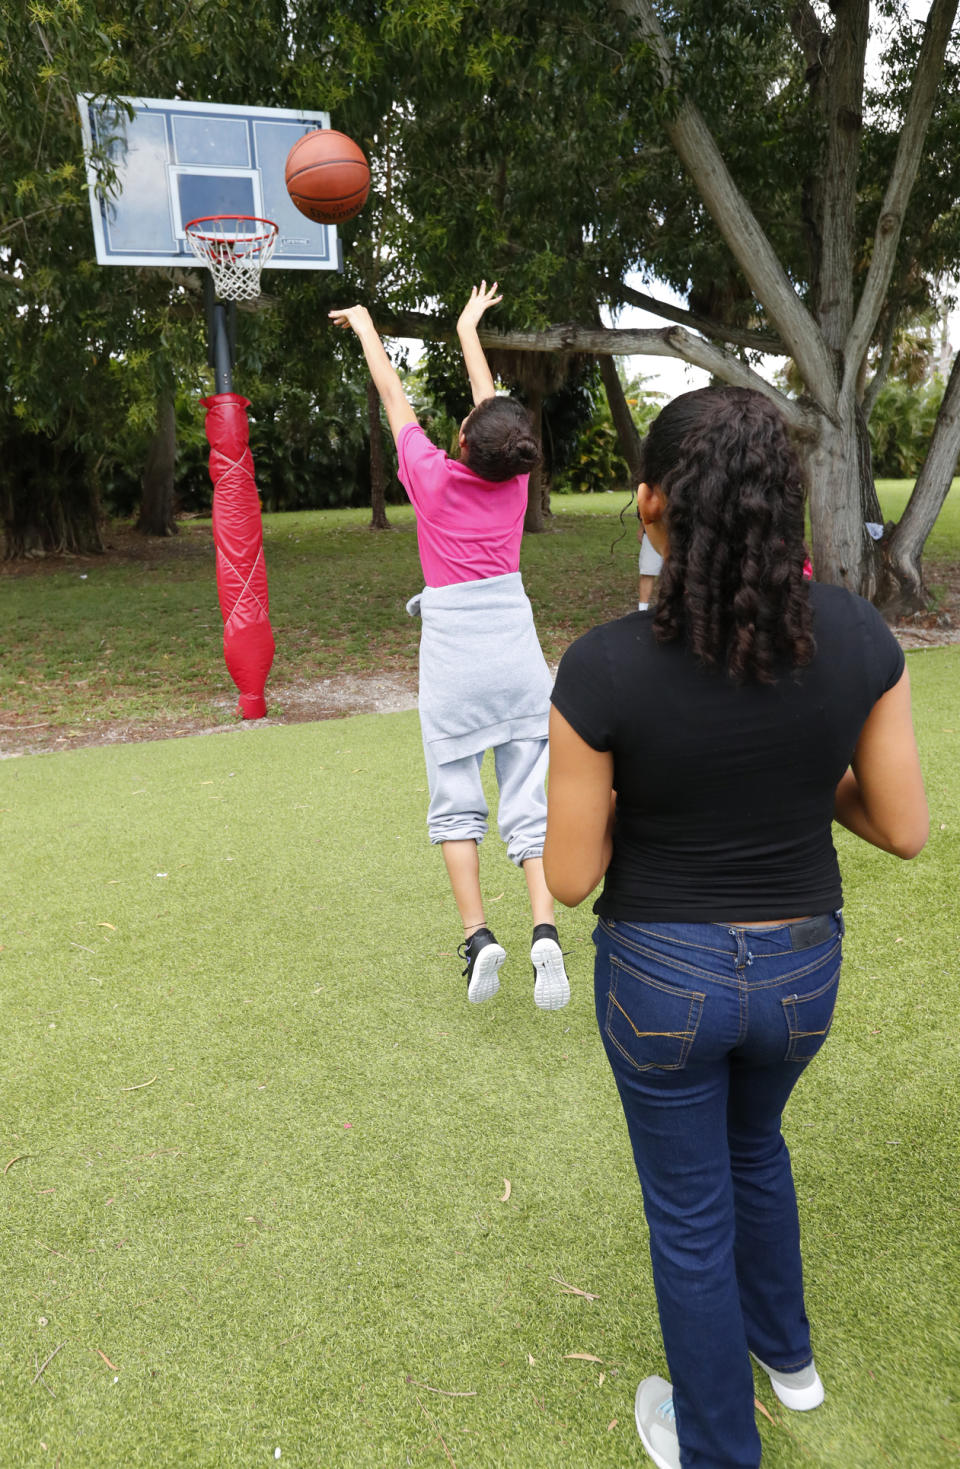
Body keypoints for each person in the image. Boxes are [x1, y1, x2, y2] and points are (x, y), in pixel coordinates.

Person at [542, 386, 927, 1468]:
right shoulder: (857, 636)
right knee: (756, 1144)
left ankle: (716, 1449)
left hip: (664, 976)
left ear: (656, 504)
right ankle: (787, 1359)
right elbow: (902, 826)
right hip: (803, 974)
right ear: (780, 504)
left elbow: (570, 877)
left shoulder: (602, 666)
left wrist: (645, 784)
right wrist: (807, 783)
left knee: (690, 1216)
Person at [329, 284, 570, 1010]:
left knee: (456, 804)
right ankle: (546, 932)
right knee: (529, 803)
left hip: (456, 668)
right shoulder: (516, 480)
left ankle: (478, 937)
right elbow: (492, 408)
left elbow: (393, 393)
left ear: (462, 443)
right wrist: (468, 329)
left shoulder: (430, 479)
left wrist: (368, 327)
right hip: (520, 663)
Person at [638, 515, 663, 610]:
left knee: (678, 571)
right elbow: (645, 504)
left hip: (680, 529)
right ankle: (642, 610)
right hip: (653, 529)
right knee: (647, 571)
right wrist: (642, 527)